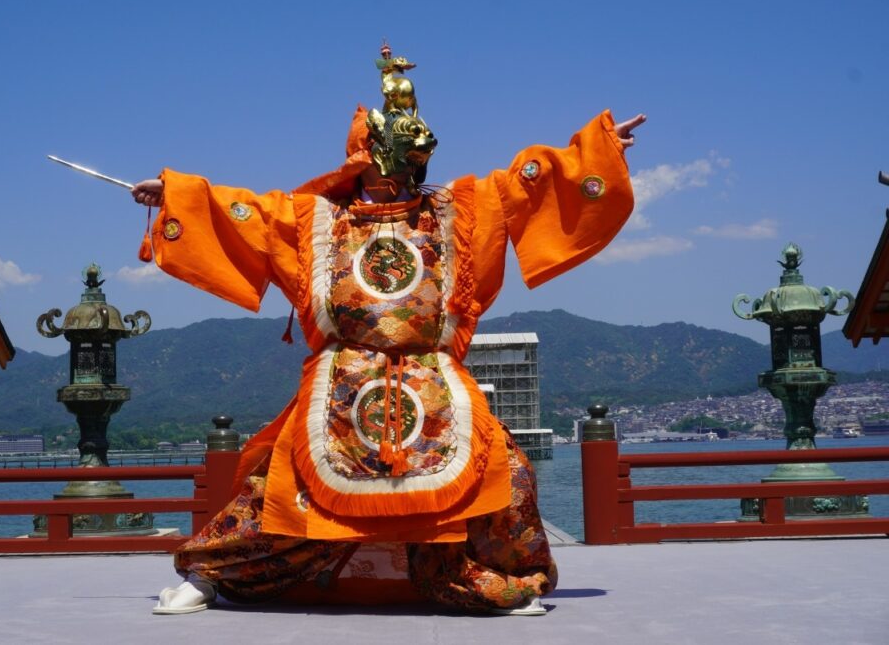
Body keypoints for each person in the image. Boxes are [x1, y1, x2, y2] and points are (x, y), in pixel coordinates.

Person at [133, 44, 645, 616]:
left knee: (509, 470)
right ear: (363, 154)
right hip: (344, 380)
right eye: (388, 151)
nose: (399, 166)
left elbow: (527, 184)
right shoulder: (316, 220)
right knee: (283, 486)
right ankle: (209, 573)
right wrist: (176, 195)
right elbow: (245, 212)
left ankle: (490, 574)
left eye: (410, 154)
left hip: (433, 378)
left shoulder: (459, 211)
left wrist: (595, 152)